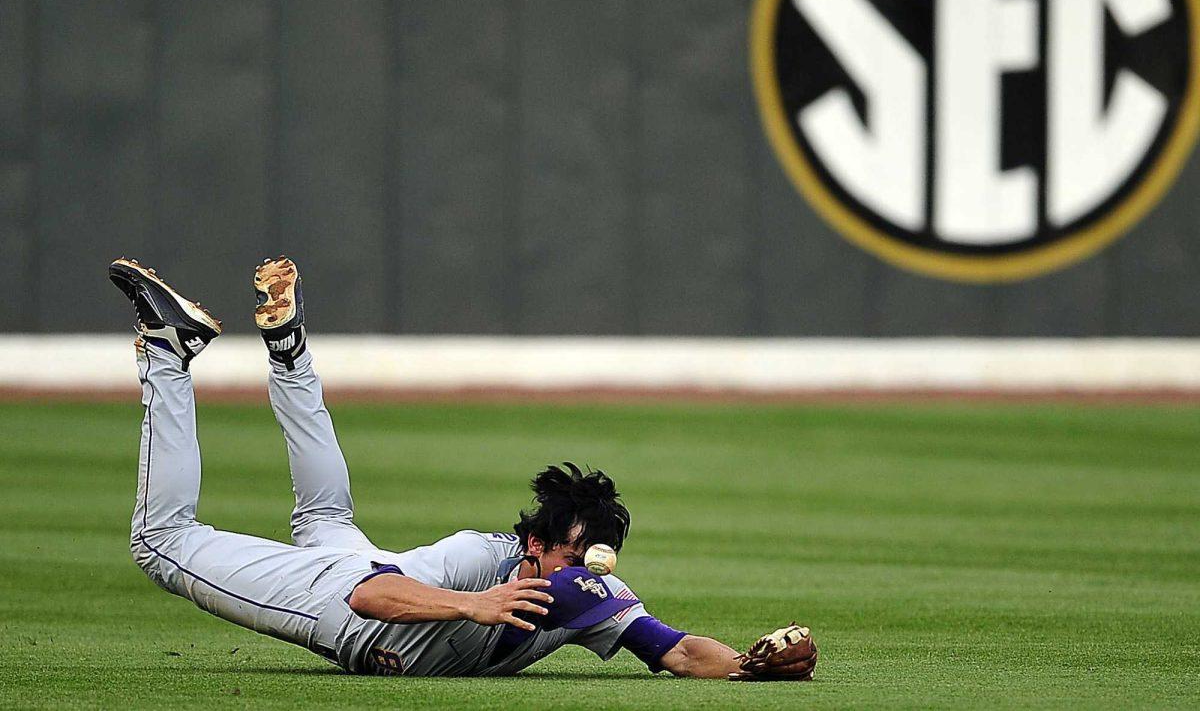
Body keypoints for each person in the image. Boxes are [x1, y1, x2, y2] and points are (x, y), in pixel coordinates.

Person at [107, 256, 816, 680]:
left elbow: (682, 654)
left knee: (325, 516)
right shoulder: (480, 558)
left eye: (596, 558)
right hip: (343, 599)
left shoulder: (588, 594)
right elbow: (368, 598)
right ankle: (168, 351)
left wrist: (752, 668)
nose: (586, 570)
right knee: (159, 542)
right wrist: (474, 605)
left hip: (374, 575)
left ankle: (288, 349)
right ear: (533, 546)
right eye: (574, 554)